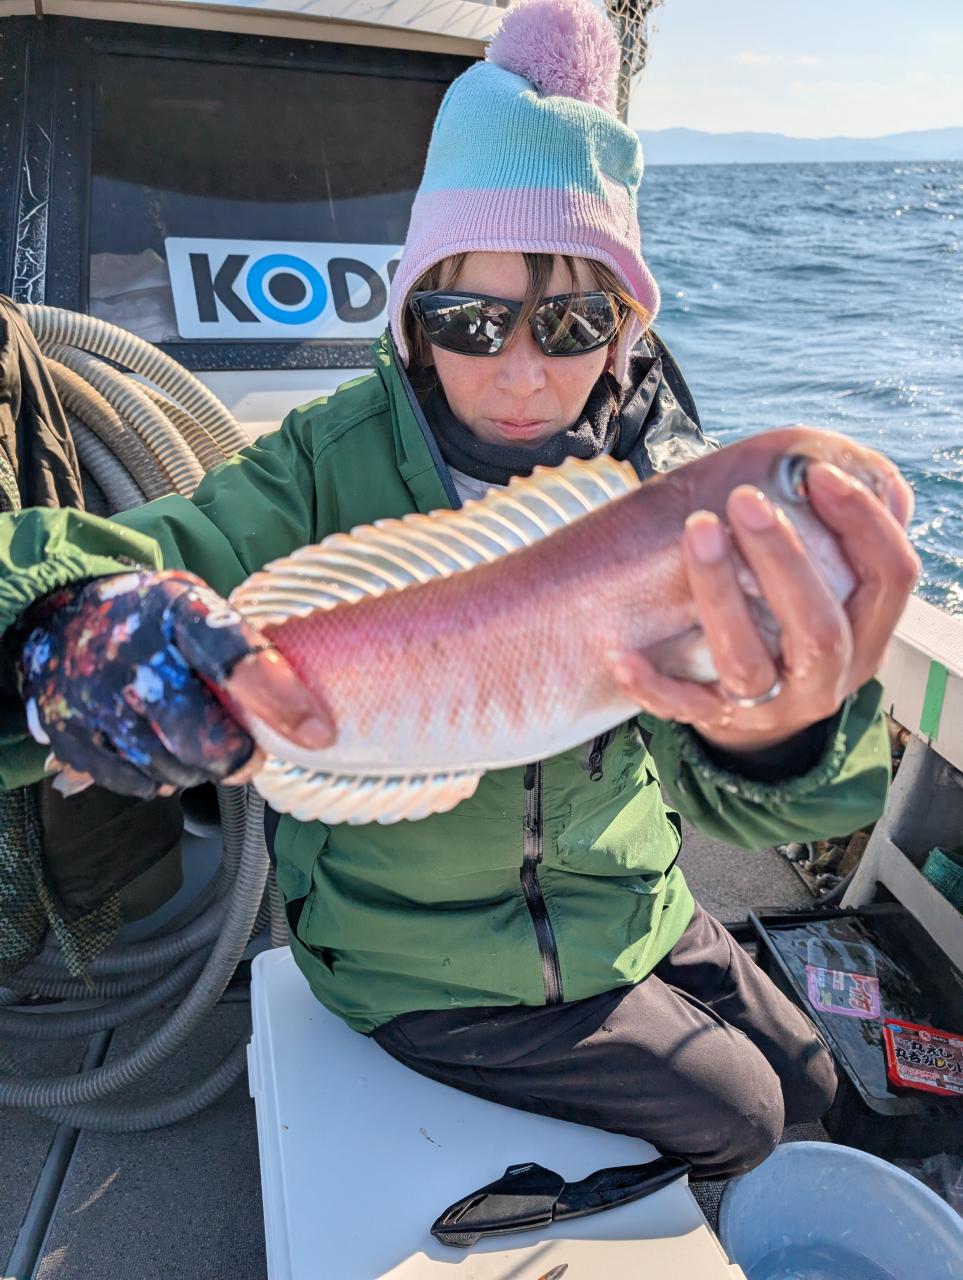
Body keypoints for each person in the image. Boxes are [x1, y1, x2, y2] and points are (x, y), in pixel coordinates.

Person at [0, 0, 919, 1177]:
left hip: (632, 907)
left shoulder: (667, 491)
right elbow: (138, 546)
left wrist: (778, 734)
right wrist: (55, 632)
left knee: (819, 1081)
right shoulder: (319, 464)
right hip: (415, 963)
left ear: (628, 329)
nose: (523, 371)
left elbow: (742, 802)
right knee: (747, 1116)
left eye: (573, 320)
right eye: (470, 319)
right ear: (414, 320)